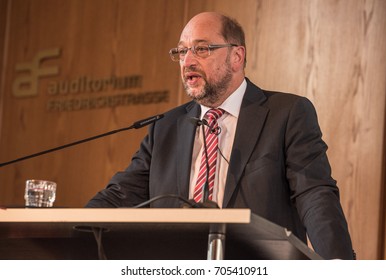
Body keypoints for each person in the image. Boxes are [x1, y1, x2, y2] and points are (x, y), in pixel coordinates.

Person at [86, 12, 354, 260]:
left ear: (236, 56)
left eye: (201, 49)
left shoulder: (286, 114)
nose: (187, 61)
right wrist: (64, 230)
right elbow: (120, 196)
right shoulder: (165, 127)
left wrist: (340, 268)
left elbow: (315, 195)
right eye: (181, 51)